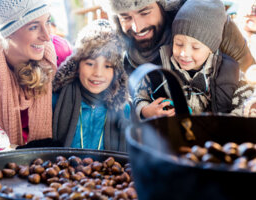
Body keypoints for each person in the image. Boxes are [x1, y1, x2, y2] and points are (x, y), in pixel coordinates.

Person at [100, 0, 255, 116]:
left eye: (145, 12)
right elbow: (135, 100)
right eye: (125, 17)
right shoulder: (122, 54)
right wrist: (144, 111)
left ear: (163, 6)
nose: (137, 27)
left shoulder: (208, 24)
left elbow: (248, 85)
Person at [0, 0, 72, 146]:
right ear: (8, 32)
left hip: (57, 152)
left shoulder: (61, 53)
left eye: (47, 21)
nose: (47, 36)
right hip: (8, 157)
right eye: (33, 27)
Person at [52, 19, 129, 151]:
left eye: (107, 66)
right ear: (77, 65)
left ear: (116, 72)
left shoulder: (124, 110)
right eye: (90, 63)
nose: (98, 73)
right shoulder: (56, 101)